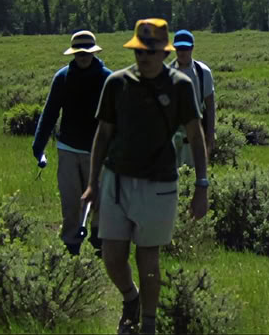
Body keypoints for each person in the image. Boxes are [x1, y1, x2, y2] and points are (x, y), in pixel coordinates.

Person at [80, 19, 208, 335]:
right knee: (111, 255)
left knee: (148, 258)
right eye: (139, 51)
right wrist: (93, 182)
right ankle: (130, 298)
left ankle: (147, 324)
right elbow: (103, 133)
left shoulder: (181, 86)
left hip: (160, 183)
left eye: (150, 51)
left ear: (163, 52)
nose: (144, 57)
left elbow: (196, 133)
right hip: (116, 181)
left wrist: (201, 185)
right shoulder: (117, 83)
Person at [31, 30, 111, 256]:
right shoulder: (62, 77)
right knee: (70, 200)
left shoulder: (107, 78)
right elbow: (49, 114)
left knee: (101, 199)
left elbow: (119, 117)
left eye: (86, 52)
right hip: (67, 148)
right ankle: (71, 244)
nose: (82, 57)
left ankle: (99, 240)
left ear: (94, 52)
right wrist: (39, 147)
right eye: (78, 53)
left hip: (99, 150)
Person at [169, 30, 216, 170]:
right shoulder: (167, 73)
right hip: (173, 137)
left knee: (197, 174)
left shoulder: (203, 73)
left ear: (192, 48)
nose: (182, 52)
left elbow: (210, 105)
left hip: (196, 136)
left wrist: (210, 134)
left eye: (186, 48)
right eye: (179, 48)